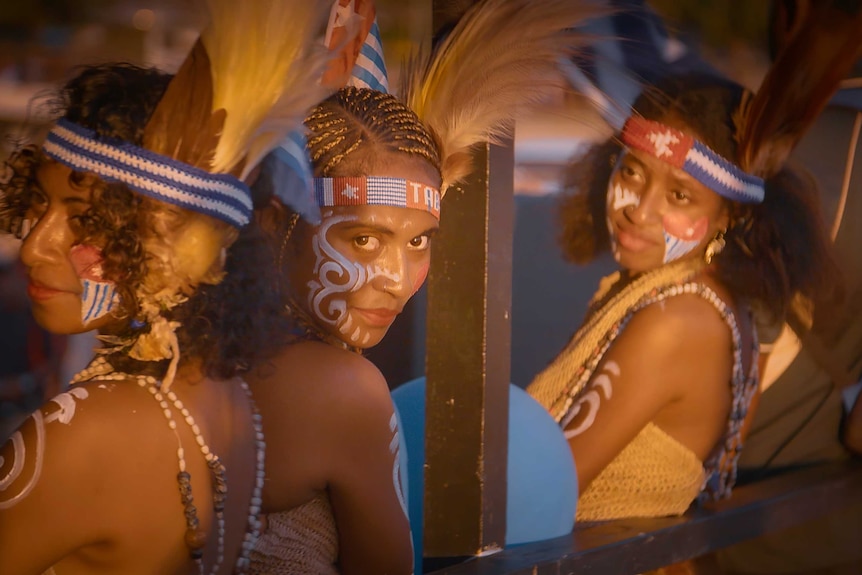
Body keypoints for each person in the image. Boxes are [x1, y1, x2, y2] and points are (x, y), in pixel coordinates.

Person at [245, 0, 604, 572]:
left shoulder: (202, 350)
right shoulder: (347, 388)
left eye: (419, 242)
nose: (394, 279)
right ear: (276, 219)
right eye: (363, 239)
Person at [0, 0, 332, 572]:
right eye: (40, 205)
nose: (33, 246)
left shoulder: (83, 434)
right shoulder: (232, 401)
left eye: (83, 217)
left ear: (184, 247)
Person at [527, 58, 848, 519]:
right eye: (632, 171)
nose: (639, 209)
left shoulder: (676, 319)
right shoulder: (669, 290)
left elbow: (540, 494)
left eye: (679, 195)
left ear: (729, 216)